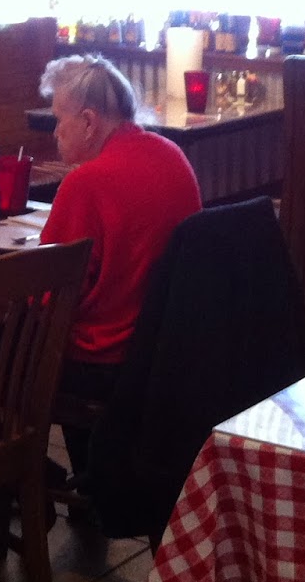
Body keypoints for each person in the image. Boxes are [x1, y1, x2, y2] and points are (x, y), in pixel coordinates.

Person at [37, 55, 201, 479]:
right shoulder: (172, 155)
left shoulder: (86, 182)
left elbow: (49, 293)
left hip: (103, 361)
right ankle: (84, 483)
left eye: (59, 120)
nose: (55, 132)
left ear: (89, 121)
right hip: (166, 352)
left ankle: (16, 477)